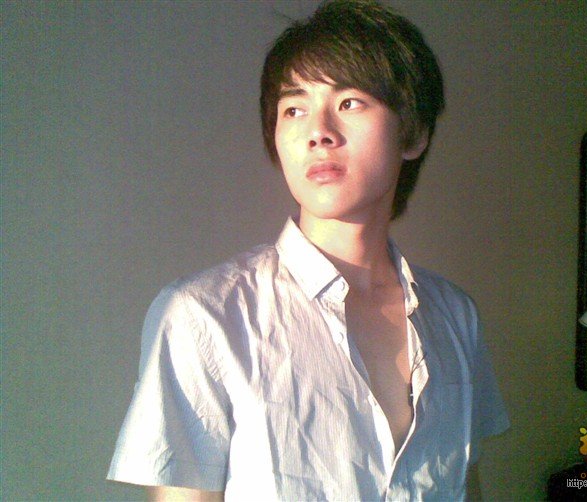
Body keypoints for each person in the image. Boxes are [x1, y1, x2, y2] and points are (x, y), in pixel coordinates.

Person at [107, 1, 509, 500]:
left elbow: (465, 482)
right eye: (294, 109)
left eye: (350, 102)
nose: (318, 132)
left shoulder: (455, 315)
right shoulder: (205, 318)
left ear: (414, 133)